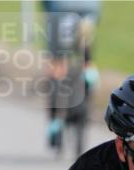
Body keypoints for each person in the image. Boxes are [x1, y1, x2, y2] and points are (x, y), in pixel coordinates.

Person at [41, 0, 102, 147]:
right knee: (85, 49)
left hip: (60, 9)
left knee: (57, 64)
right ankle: (89, 71)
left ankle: (55, 120)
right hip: (88, 9)